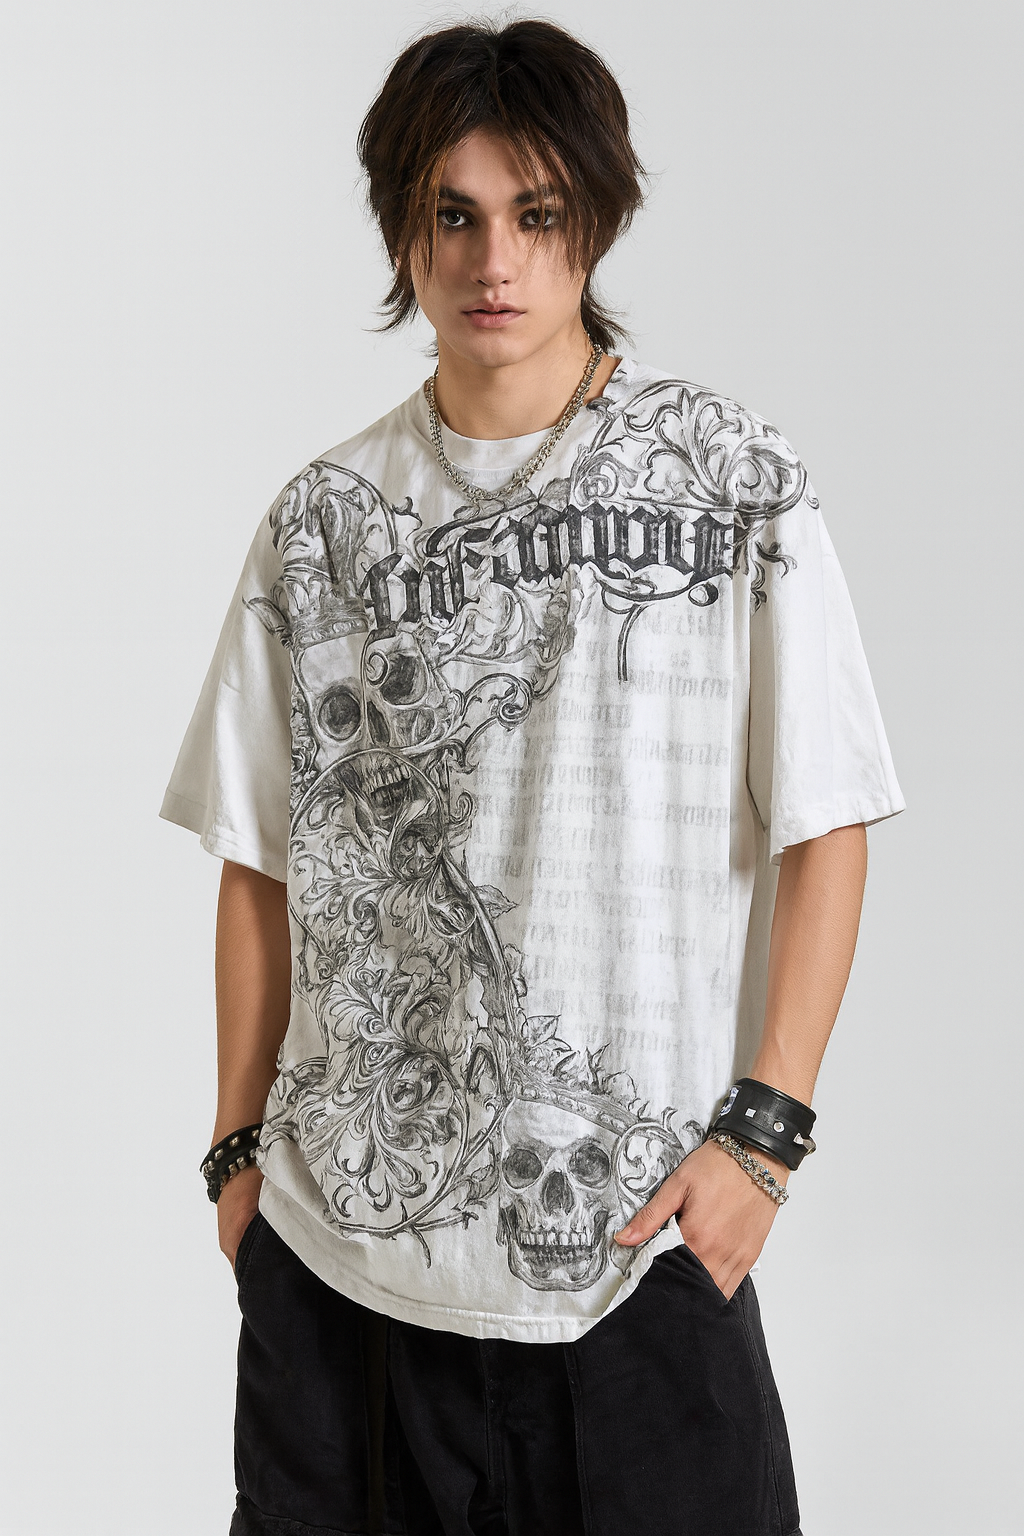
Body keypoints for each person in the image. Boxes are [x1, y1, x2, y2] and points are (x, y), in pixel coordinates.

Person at [159, 18, 904, 1536]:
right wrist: (237, 1159)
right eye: (454, 214)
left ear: (595, 222)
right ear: (404, 231)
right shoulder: (320, 524)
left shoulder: (733, 483)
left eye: (536, 213)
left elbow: (828, 821)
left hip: (636, 1245)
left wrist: (765, 1137)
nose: (492, 259)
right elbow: (258, 859)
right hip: (344, 1265)